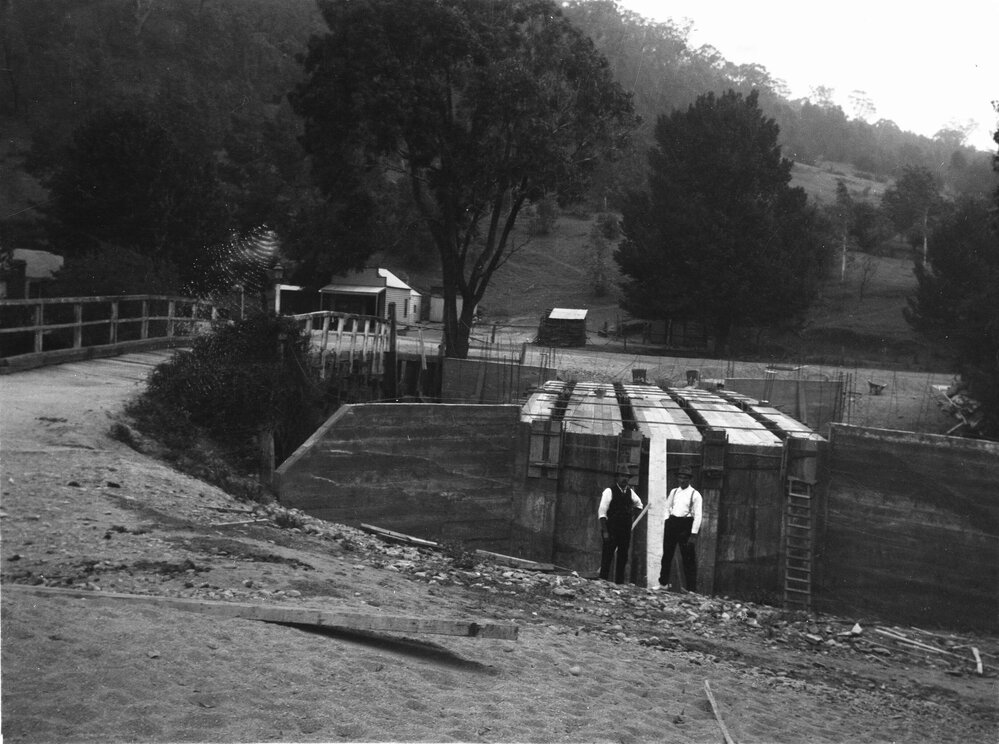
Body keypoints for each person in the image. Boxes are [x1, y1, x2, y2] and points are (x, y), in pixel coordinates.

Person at [658, 465, 702, 592]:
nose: (682, 480)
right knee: (667, 555)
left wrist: (693, 534)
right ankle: (663, 584)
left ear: (689, 479)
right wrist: (667, 520)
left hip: (686, 525)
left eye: (685, 478)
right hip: (672, 523)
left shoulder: (695, 494)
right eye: (680, 477)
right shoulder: (674, 492)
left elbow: (698, 515)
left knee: (688, 558)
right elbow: (667, 507)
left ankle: (691, 589)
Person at [598, 467, 643, 584]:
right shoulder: (609, 491)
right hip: (611, 529)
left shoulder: (630, 492)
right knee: (607, 555)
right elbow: (602, 513)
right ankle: (603, 580)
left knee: (623, 556)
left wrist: (629, 515)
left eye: (627, 477)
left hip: (625, 530)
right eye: (622, 476)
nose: (625, 479)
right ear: (617, 477)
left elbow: (639, 505)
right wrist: (605, 531)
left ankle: (619, 582)